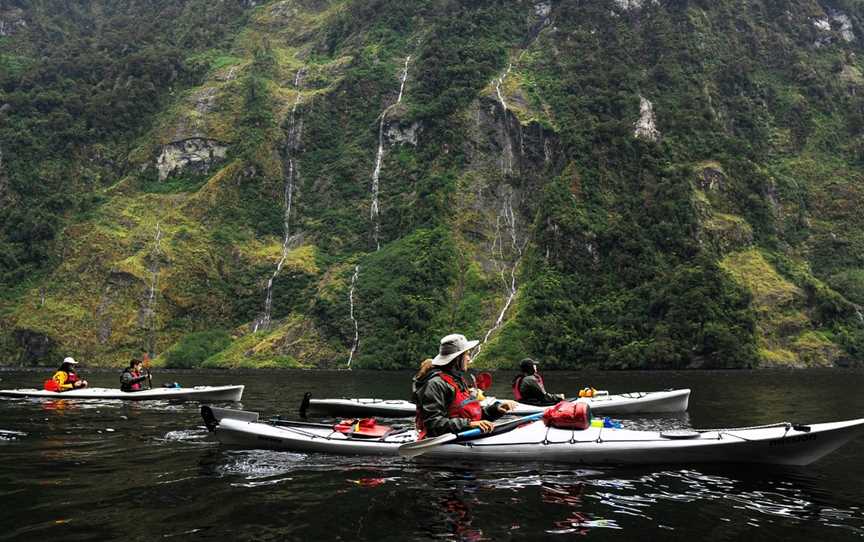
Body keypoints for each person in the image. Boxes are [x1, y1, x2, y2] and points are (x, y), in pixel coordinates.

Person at [413, 334, 516, 439]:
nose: (469, 359)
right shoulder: (435, 384)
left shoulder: (458, 380)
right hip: (442, 441)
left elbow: (473, 416)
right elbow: (434, 424)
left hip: (463, 436)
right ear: (457, 358)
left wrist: (496, 409)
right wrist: (469, 424)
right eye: (467, 354)